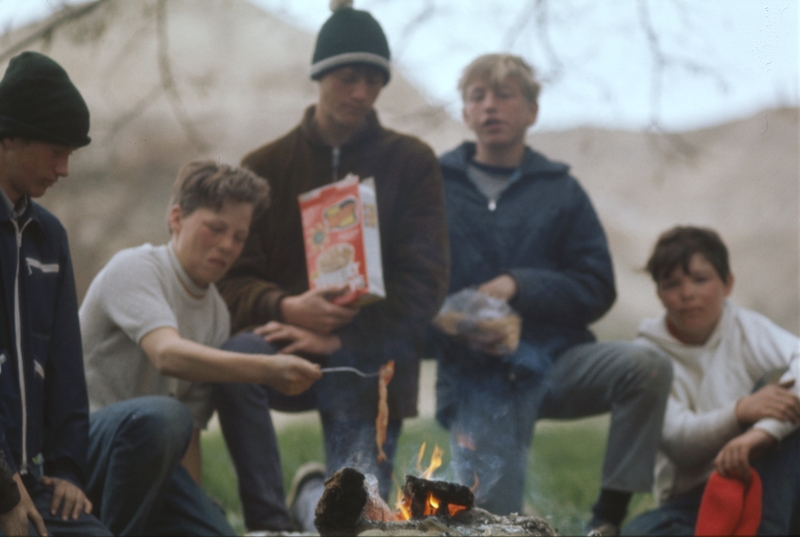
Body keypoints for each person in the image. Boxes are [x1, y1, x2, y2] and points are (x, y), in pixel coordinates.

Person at [215, 1, 449, 532]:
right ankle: (269, 523)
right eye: (348, 78)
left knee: (354, 520)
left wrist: (344, 341)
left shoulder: (411, 163)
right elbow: (230, 279)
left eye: (373, 81)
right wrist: (286, 306)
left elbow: (427, 285)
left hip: (371, 365)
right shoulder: (265, 168)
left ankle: (312, 504)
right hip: (283, 346)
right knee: (238, 358)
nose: (361, 93)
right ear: (319, 75)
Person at [429, 53, 673, 536]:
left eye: (504, 95)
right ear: (465, 113)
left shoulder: (561, 191)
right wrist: (452, 320)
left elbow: (597, 286)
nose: (490, 106)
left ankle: (607, 519)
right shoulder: (435, 186)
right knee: (491, 526)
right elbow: (413, 281)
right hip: (477, 379)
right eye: (477, 96)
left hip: (557, 363)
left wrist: (521, 284)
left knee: (648, 367)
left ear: (532, 111)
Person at [79, 160, 322, 535]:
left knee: (212, 527)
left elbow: (189, 432)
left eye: (239, 237)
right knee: (162, 417)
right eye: (215, 228)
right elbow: (167, 355)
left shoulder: (216, 314)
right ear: (176, 218)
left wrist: (190, 509)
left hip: (151, 460)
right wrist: (268, 370)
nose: (227, 246)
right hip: (83, 448)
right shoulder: (135, 269)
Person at [622, 226, 800, 535]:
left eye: (700, 279)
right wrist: (740, 411)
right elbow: (679, 442)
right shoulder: (647, 355)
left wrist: (762, 435)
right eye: (672, 284)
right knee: (639, 531)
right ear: (659, 294)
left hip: (766, 478)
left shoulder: (747, 329)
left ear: (727, 284)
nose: (687, 294)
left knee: (785, 393)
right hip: (692, 498)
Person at [0, 51, 111, 536]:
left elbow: (66, 365)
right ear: (8, 138)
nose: (64, 169)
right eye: (56, 151)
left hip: (31, 483)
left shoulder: (51, 237)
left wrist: (67, 470)